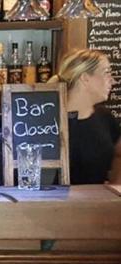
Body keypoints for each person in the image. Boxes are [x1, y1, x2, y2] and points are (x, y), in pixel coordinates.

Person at [49, 49, 121, 184]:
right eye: (106, 73)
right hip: (52, 204)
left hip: (97, 203)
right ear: (85, 78)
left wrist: (116, 185)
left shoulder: (105, 117)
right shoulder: (46, 122)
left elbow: (119, 154)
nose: (113, 81)